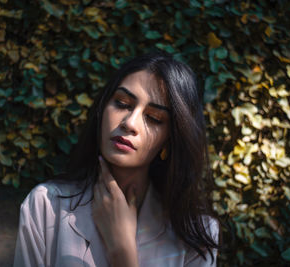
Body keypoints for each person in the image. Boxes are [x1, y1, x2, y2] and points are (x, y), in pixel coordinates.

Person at [13, 51, 220, 267]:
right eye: (122, 103)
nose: (130, 123)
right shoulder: (46, 205)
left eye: (154, 118)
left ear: (170, 140)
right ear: (103, 108)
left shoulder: (197, 235)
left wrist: (122, 252)